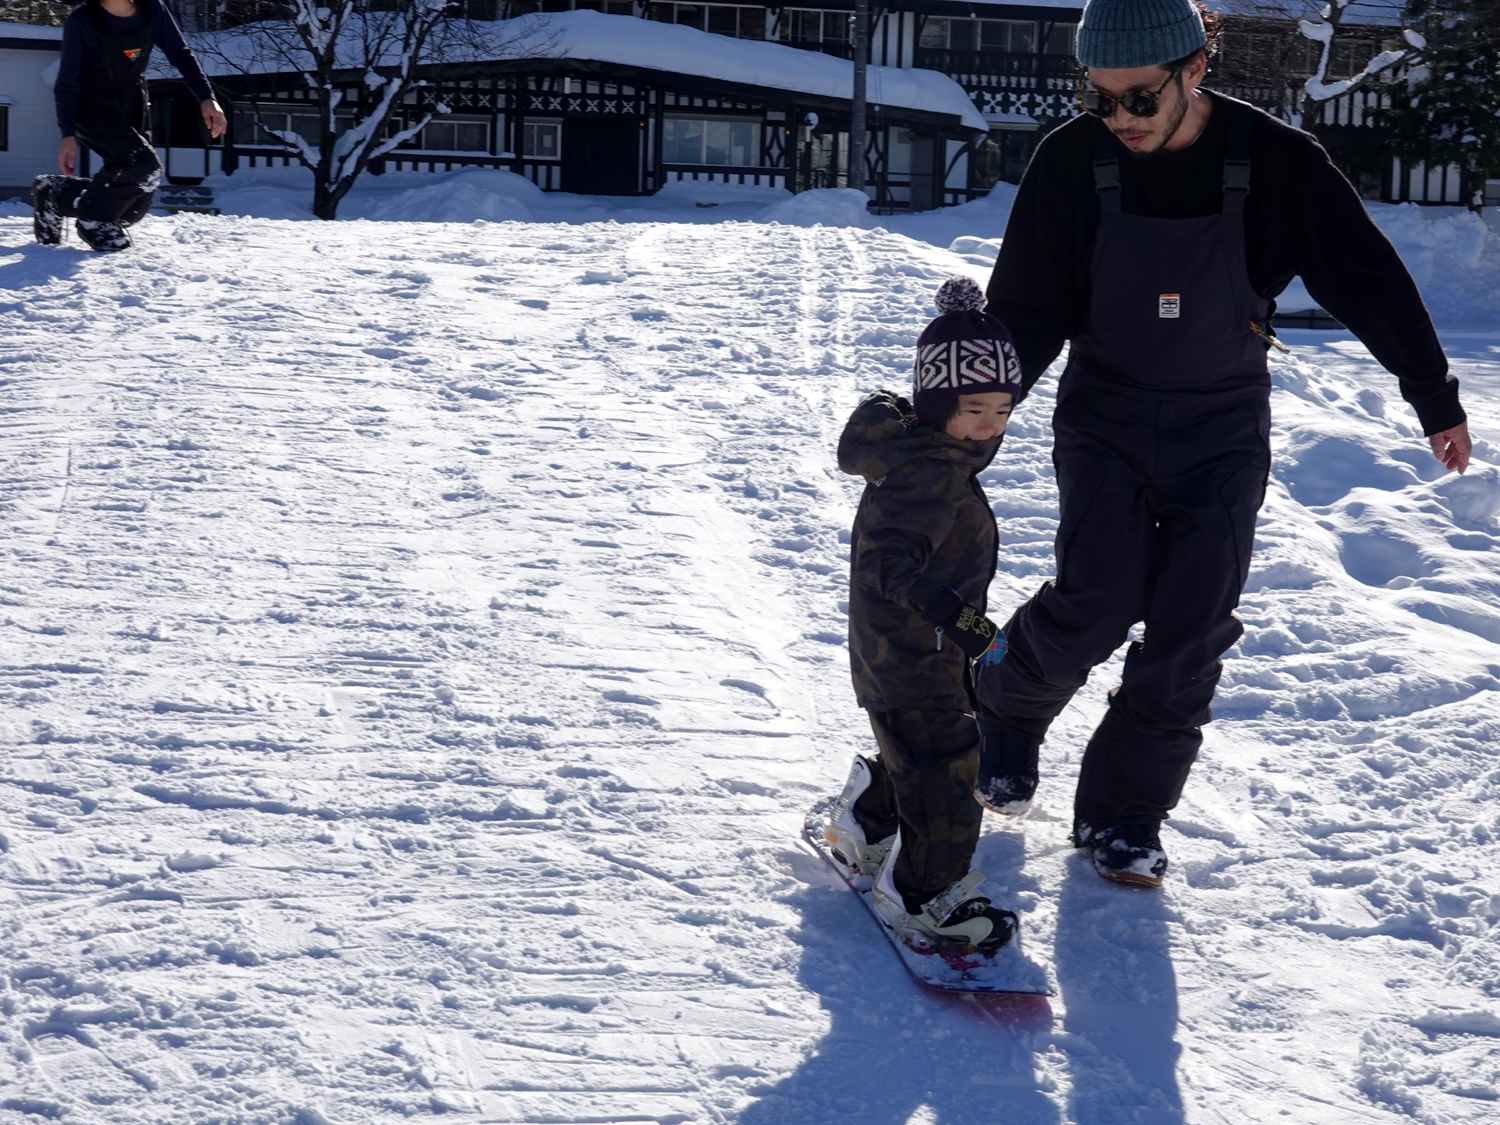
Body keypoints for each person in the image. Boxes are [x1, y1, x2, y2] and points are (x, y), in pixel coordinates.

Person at [974, 0, 1473, 888]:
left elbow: (1365, 276)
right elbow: (1027, 306)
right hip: (1108, 415)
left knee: (1192, 623)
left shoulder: (1277, 164)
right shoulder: (1069, 162)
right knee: (1098, 596)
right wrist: (976, 409)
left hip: (1222, 421)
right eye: (1100, 100)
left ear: (1195, 67)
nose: (1117, 119)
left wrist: (1431, 392)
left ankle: (1124, 813)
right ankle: (1003, 708)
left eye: (1137, 98)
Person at [819, 276, 1023, 954]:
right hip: (912, 652)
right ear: (939, 403)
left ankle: (865, 830)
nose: (990, 424)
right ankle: (924, 898)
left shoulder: (934, 457)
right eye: (975, 408)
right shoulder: (925, 474)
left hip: (908, 652)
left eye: (1002, 408)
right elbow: (885, 563)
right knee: (945, 774)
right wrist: (955, 618)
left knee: (914, 750)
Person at [32, 0, 226, 252]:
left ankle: (57, 194)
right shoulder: (83, 20)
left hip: (132, 104)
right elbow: (67, 82)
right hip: (92, 107)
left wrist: (207, 98)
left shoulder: (151, 9)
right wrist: (68, 133)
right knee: (143, 166)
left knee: (133, 206)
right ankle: (92, 222)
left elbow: (181, 54)